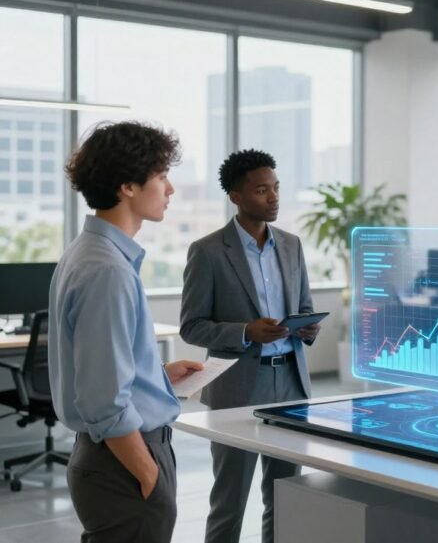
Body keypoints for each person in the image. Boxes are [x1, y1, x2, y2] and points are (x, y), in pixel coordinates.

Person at [48, 121, 203, 543]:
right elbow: (103, 402)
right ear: (128, 186)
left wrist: (156, 375)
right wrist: (149, 475)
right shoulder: (107, 271)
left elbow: (98, 370)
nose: (170, 189)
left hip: (111, 455)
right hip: (124, 460)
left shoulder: (89, 253)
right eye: (161, 176)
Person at [180, 149, 320, 543]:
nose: (273, 197)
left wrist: (308, 328)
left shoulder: (291, 245)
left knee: (285, 497)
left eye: (276, 188)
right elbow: (192, 327)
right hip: (237, 389)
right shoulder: (207, 251)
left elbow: (304, 307)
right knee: (229, 502)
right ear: (236, 197)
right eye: (262, 190)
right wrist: (245, 331)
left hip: (291, 386)